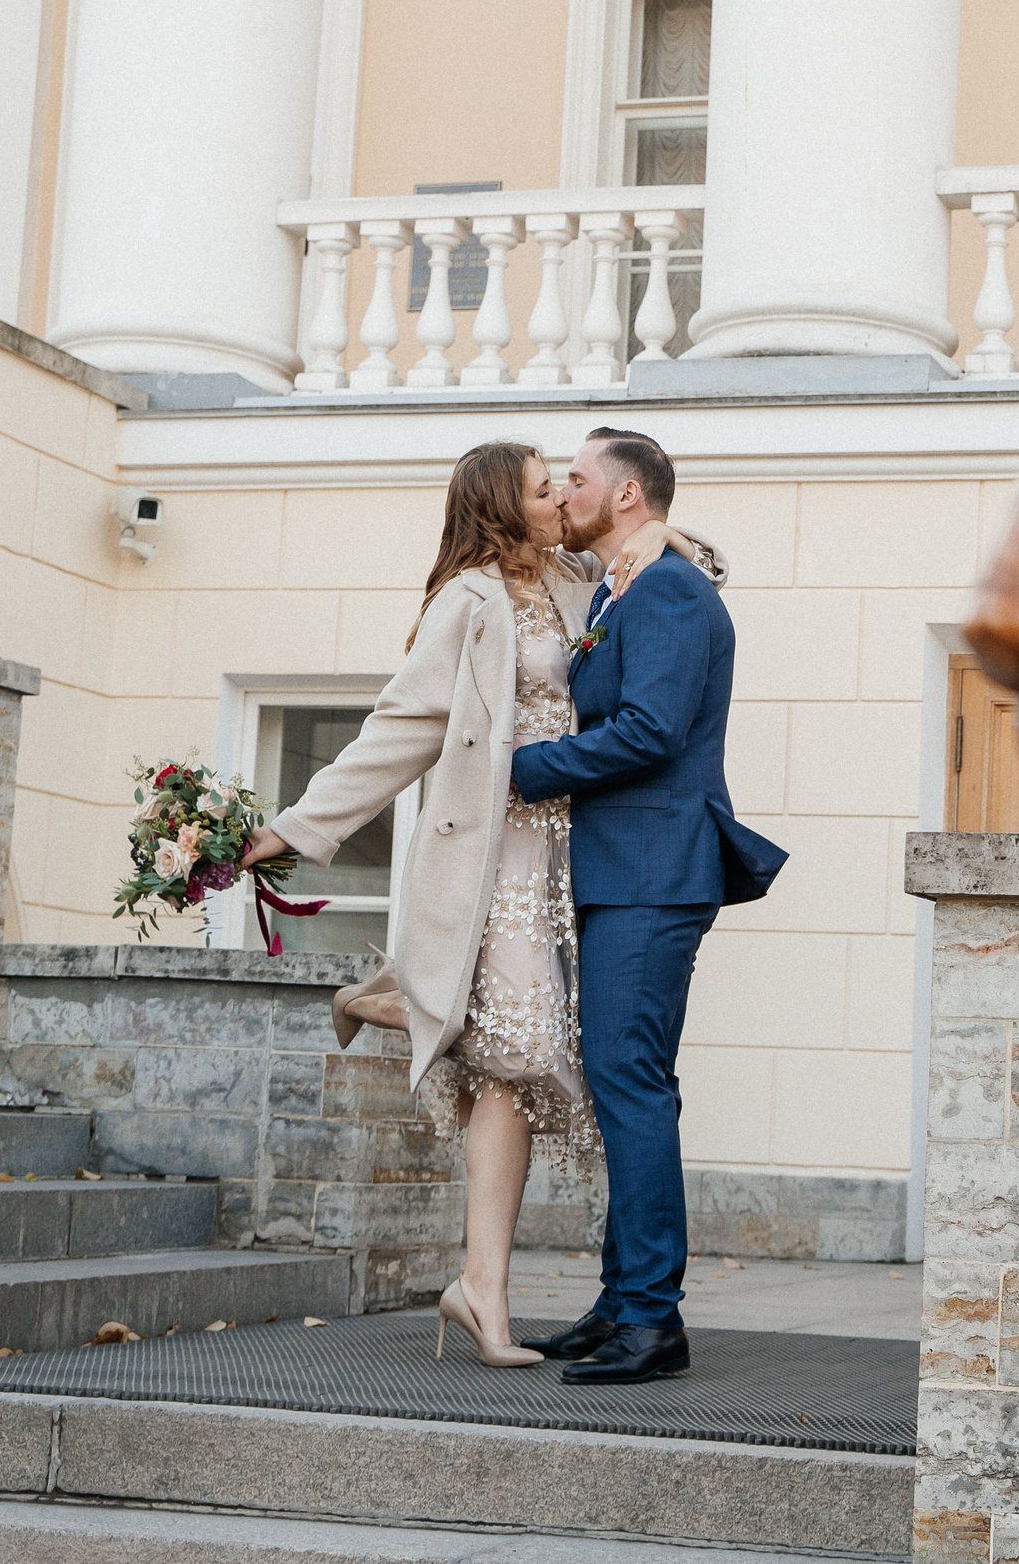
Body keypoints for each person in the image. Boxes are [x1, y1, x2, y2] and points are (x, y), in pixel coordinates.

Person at [236, 440, 722, 1366]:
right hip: (497, 857)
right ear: (509, 507)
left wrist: (661, 530)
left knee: (525, 1061)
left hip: (576, 861)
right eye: (546, 489)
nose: (561, 498)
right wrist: (291, 829)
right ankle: (412, 1001)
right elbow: (398, 729)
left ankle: (492, 1285)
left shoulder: (586, 576)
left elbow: (690, 571)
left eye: (569, 483)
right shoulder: (471, 601)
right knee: (525, 1049)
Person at [510, 427, 788, 1386]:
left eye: (578, 478)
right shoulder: (628, 579)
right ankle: (621, 1299)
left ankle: (653, 1317)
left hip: (653, 871)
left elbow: (651, 729)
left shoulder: (668, 586)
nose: (567, 491)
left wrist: (520, 770)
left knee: (630, 1082)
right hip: (625, 871)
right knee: (628, 1079)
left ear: (627, 493)